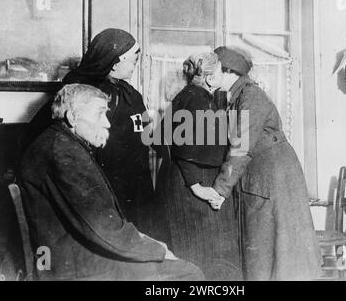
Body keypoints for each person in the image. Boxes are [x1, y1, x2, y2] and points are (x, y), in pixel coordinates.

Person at [19, 84, 204, 281]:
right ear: (73, 117)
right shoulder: (63, 152)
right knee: (190, 274)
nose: (107, 123)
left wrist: (148, 243)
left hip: (76, 257)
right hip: (79, 268)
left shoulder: (60, 142)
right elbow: (103, 229)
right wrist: (158, 250)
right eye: (100, 114)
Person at [21, 28, 166, 242]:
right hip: (101, 190)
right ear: (115, 63)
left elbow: (148, 133)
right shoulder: (80, 92)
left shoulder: (129, 93)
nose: (137, 64)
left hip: (135, 187)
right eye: (134, 59)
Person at [200, 46, 322, 281]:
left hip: (274, 178)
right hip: (265, 176)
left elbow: (241, 148)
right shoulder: (237, 97)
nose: (208, 75)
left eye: (213, 69)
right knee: (268, 251)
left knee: (278, 254)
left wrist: (220, 189)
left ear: (228, 71)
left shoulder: (251, 96)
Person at [155, 52, 242, 281]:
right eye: (222, 70)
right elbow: (186, 150)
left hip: (185, 179)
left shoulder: (189, 95)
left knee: (195, 254)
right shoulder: (197, 99)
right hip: (192, 182)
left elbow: (159, 139)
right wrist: (197, 187)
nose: (225, 75)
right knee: (201, 255)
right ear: (210, 78)